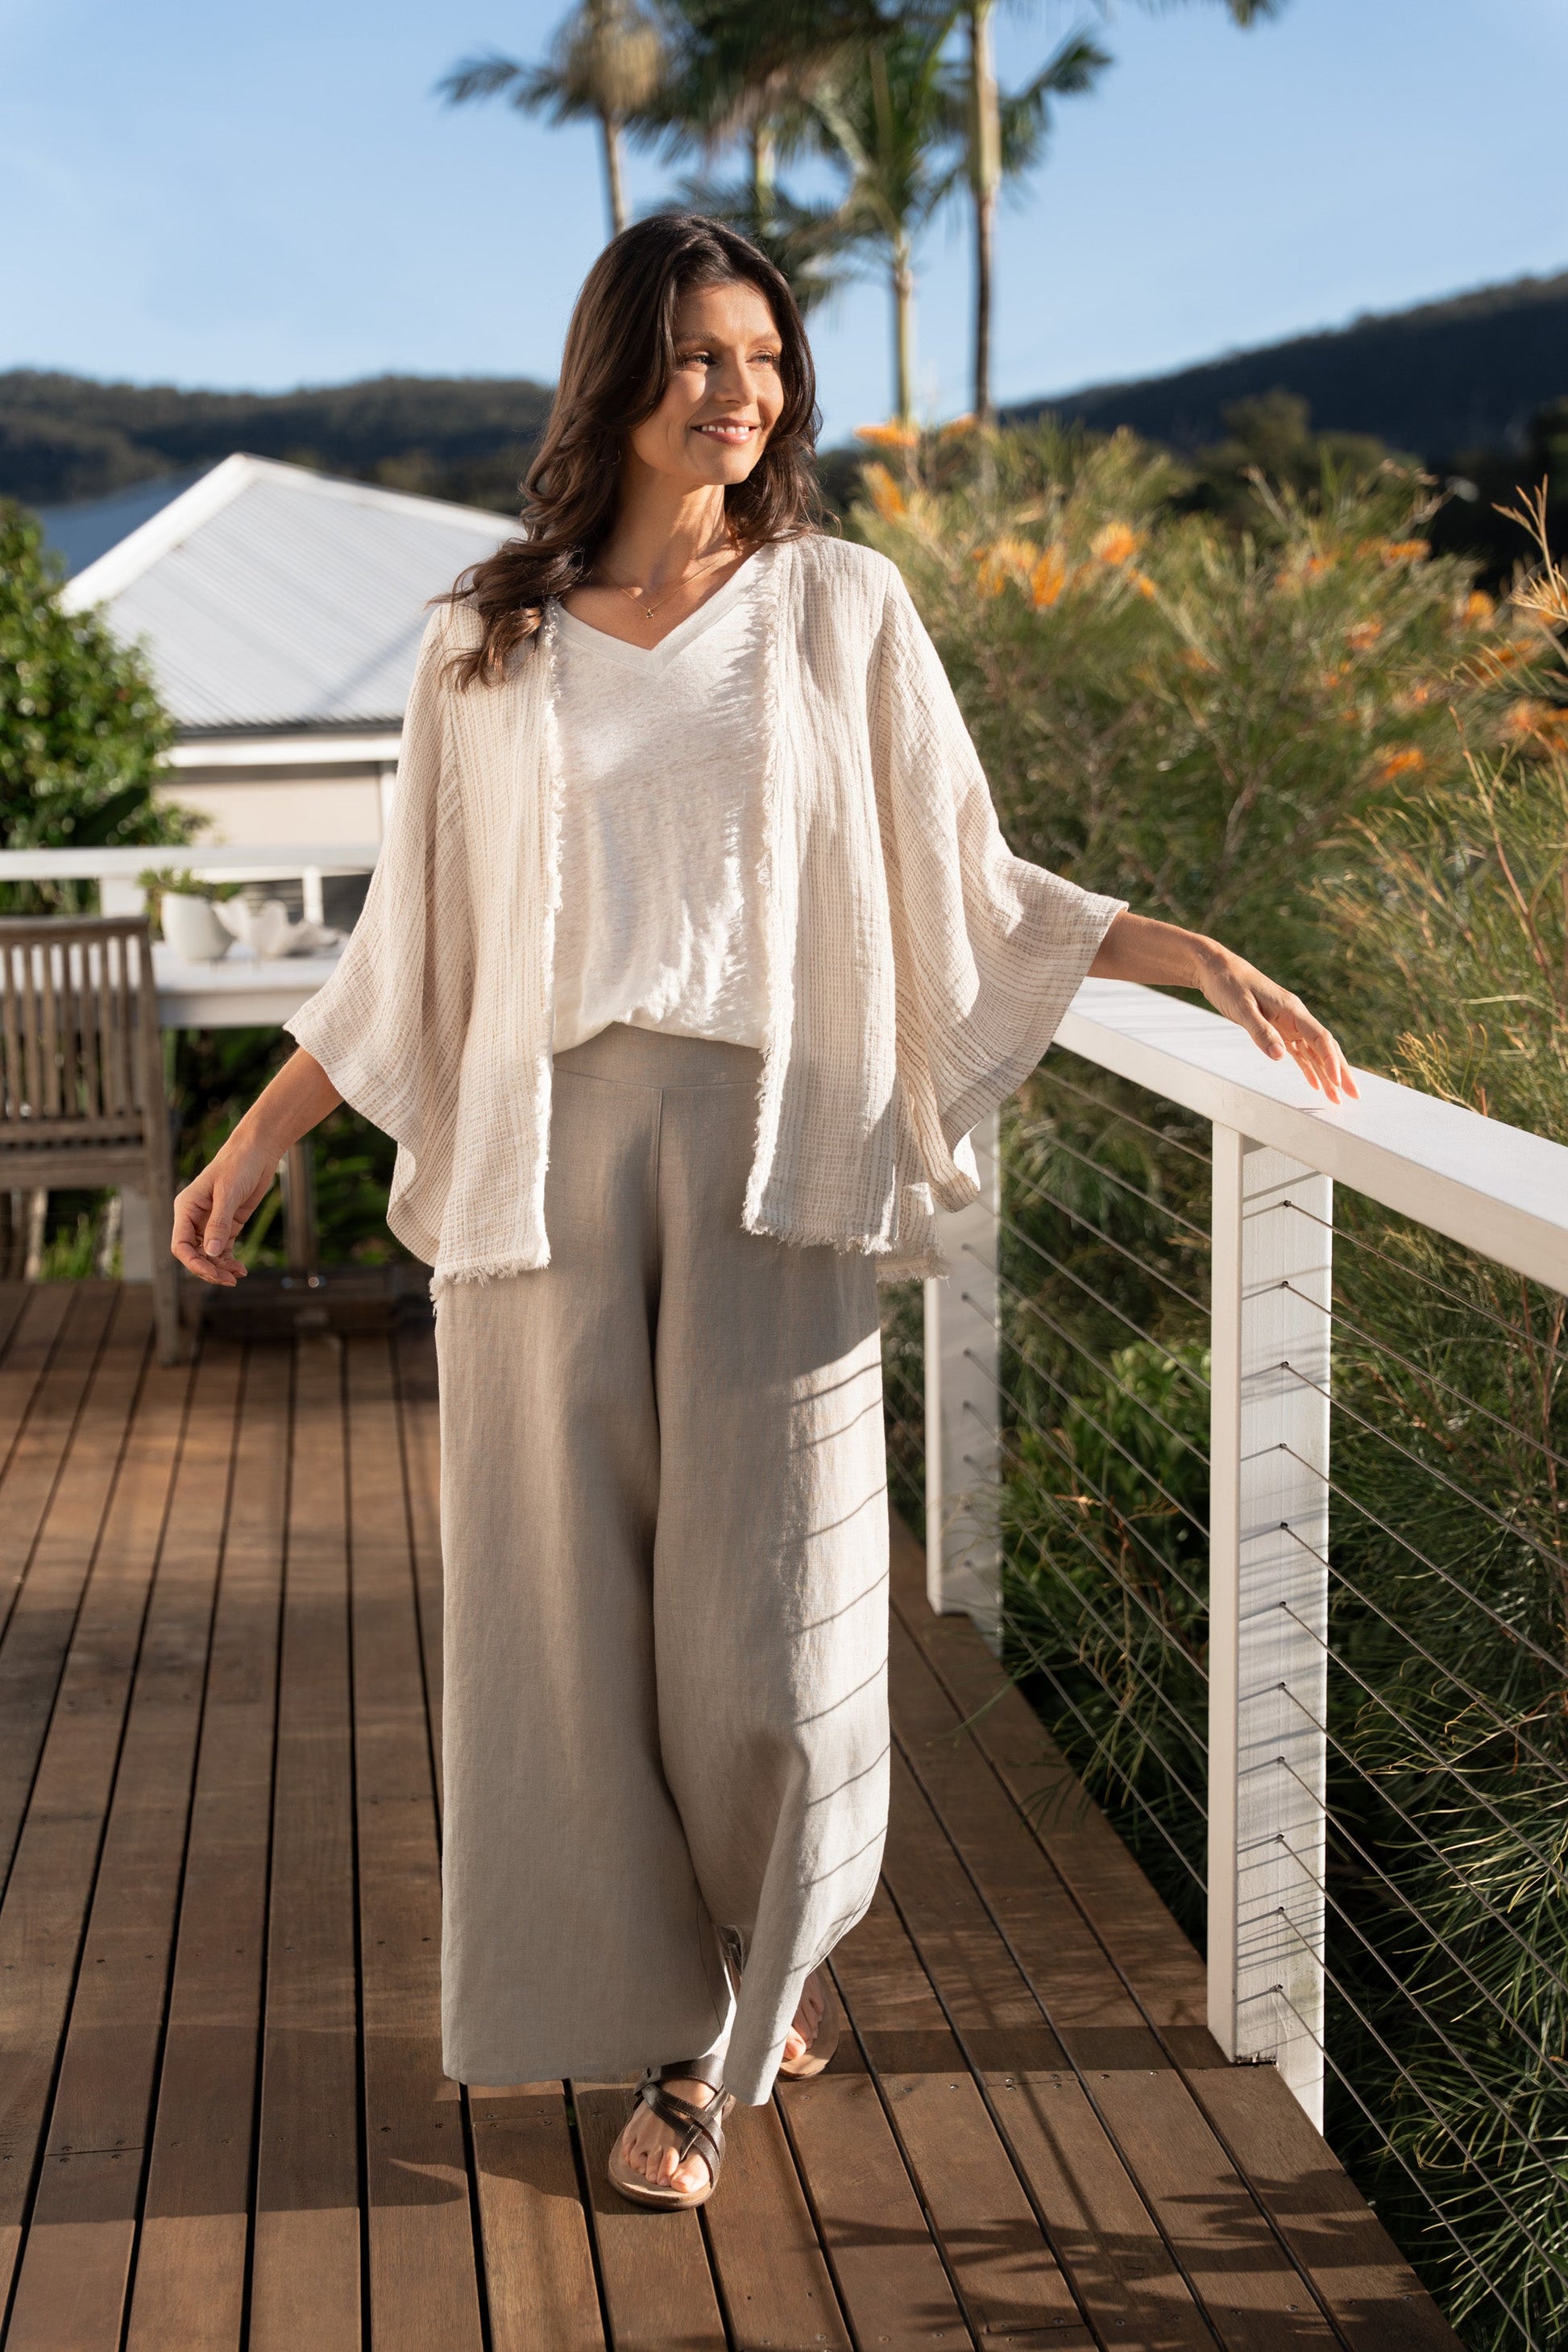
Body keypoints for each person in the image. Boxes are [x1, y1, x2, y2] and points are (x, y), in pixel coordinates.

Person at [172, 214, 1357, 2213]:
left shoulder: (840, 609)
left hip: (772, 1158)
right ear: (618, 372)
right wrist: (262, 1132)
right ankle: (682, 2040)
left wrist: (1187, 954)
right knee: (564, 1628)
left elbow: (967, 884)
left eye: (767, 360)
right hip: (545, 1170)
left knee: (768, 1628)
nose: (746, 394)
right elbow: (416, 946)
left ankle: (765, 1972)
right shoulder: (493, 635)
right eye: (704, 357)